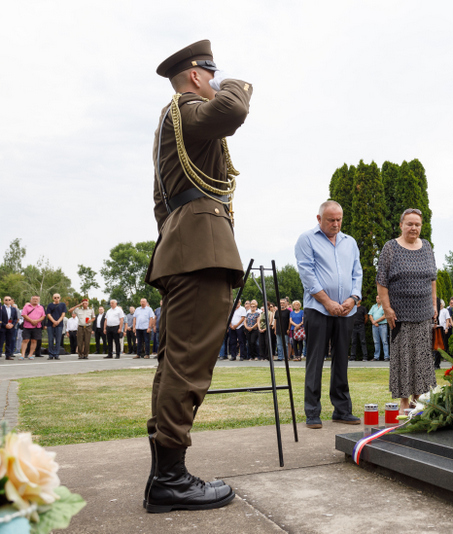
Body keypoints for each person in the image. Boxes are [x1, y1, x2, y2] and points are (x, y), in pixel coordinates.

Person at [143, 39, 252, 513]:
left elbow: (161, 204)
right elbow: (233, 108)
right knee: (187, 365)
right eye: (211, 74)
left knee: (175, 364)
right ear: (195, 75)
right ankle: (170, 479)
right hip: (199, 252)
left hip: (185, 248)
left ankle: (164, 474)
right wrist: (235, 82)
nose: (214, 82)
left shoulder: (174, 121)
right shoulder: (187, 110)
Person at [295, 200, 363, 429]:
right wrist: (328, 302)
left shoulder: (350, 242)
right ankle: (312, 412)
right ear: (319, 219)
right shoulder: (306, 239)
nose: (336, 224)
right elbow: (307, 274)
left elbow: (357, 272)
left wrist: (354, 298)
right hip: (318, 309)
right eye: (331, 220)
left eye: (339, 219)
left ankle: (342, 410)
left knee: (342, 360)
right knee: (315, 361)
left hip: (347, 309)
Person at [376, 208, 438, 412]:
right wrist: (387, 308)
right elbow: (382, 281)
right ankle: (404, 402)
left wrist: (434, 305)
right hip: (399, 315)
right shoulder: (390, 248)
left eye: (417, 224)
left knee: (422, 359)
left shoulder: (427, 247)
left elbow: (433, 279)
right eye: (409, 224)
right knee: (403, 359)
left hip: (424, 314)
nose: (413, 228)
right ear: (401, 225)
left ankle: (418, 400)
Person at [20, 296, 45, 360]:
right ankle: (22, 355)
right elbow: (24, 314)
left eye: (36, 299)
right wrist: (31, 321)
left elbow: (43, 316)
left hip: (37, 326)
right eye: (33, 299)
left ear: (39, 300)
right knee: (25, 340)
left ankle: (30, 355)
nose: (35, 300)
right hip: (27, 326)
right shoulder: (26, 306)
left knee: (34, 340)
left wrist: (37, 321)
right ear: (31, 300)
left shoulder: (41, 307)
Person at [44, 294, 67, 360]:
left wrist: (57, 322)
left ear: (60, 298)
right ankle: (51, 354)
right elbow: (48, 314)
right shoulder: (50, 305)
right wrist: (54, 321)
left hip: (59, 324)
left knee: (58, 340)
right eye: (55, 297)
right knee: (50, 339)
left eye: (58, 297)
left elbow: (63, 315)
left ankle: (56, 354)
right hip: (50, 324)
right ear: (53, 298)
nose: (56, 299)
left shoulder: (63, 305)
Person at [368, 295, 389, 362]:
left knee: (384, 341)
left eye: (379, 298)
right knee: (376, 342)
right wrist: (373, 322)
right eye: (377, 298)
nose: (378, 299)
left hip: (383, 325)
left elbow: (384, 316)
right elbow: (370, 315)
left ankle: (386, 356)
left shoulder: (384, 306)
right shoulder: (373, 306)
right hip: (374, 326)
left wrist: (375, 321)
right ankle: (376, 357)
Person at [436, 298, 453, 369]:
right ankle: (437, 361)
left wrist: (446, 328)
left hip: (442, 329)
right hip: (436, 328)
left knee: (443, 344)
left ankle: (442, 358)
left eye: (440, 304)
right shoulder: (436, 310)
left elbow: (447, 320)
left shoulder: (445, 311)